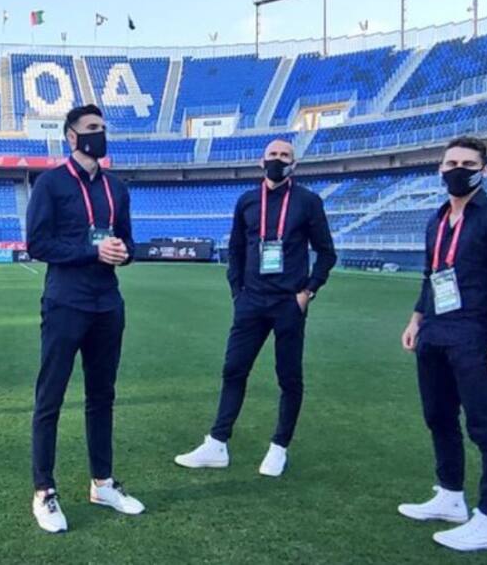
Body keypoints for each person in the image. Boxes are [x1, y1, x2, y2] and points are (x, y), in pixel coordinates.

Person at [397, 136, 487, 552]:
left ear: (484, 170)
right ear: (440, 169)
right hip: (434, 332)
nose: (458, 168)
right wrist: (416, 319)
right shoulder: (436, 220)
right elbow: (430, 275)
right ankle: (450, 495)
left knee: (486, 426)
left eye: (467, 162)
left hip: (474, 333)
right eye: (450, 162)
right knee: (438, 417)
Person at [174, 139, 336, 477]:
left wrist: (308, 291)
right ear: (261, 162)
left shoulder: (308, 201)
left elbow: (326, 252)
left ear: (295, 164)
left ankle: (279, 447)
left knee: (288, 377)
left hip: (289, 303)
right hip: (251, 302)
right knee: (233, 370)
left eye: (285, 156)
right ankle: (217, 443)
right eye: (273, 155)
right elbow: (235, 249)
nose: (278, 160)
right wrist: (237, 292)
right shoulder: (247, 201)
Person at [26, 104, 145, 534]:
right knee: (50, 398)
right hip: (65, 302)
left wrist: (123, 252)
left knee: (102, 396)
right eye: (92, 128)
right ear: (72, 137)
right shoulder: (51, 183)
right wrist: (91, 251)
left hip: (107, 303)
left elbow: (129, 241)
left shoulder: (117, 186)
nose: (100, 134)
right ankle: (44, 491)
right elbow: (37, 244)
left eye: (103, 127)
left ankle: (103, 483)